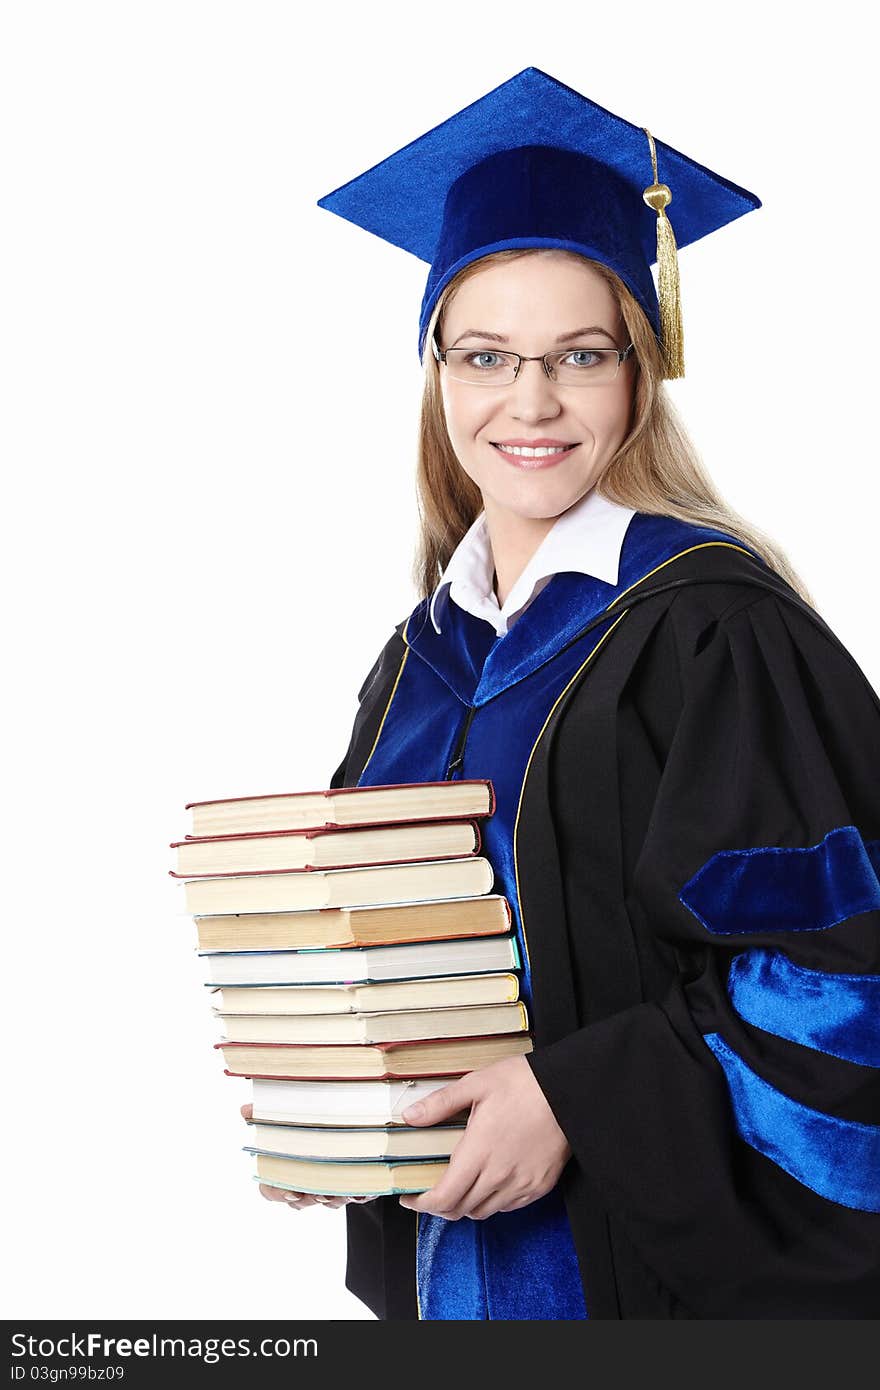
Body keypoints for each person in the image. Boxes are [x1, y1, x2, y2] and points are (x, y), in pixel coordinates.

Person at [254, 68, 880, 1319]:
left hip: (648, 1286)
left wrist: (574, 1096)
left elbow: (847, 974)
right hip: (453, 1266)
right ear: (435, 372)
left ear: (639, 374)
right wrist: (337, 1085)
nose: (527, 403)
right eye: (485, 355)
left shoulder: (715, 628)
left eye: (577, 356)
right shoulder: (417, 657)